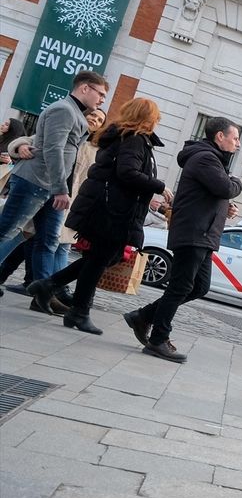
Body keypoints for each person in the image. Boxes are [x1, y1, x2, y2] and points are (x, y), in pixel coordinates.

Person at [28, 99, 167, 333]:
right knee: (99, 260)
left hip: (109, 208)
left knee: (101, 258)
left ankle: (49, 286)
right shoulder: (134, 139)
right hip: (111, 211)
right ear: (148, 118)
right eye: (156, 117)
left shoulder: (128, 138)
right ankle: (77, 310)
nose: (157, 121)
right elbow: (127, 172)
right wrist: (159, 186)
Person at [125, 117, 242, 361]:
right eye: (235, 138)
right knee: (181, 287)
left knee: (199, 286)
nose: (238, 144)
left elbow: (215, 193)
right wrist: (235, 184)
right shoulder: (206, 158)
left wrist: (225, 207)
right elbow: (225, 188)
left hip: (204, 233)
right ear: (220, 136)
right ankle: (157, 339)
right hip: (194, 232)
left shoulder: (212, 159)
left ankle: (144, 316)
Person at [0, 71, 107, 282]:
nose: (102, 99)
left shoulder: (73, 113)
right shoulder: (64, 110)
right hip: (37, 182)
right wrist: (60, 188)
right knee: (7, 231)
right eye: (100, 94)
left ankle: (44, 291)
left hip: (50, 188)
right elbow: (52, 148)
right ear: (85, 88)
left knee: (49, 240)